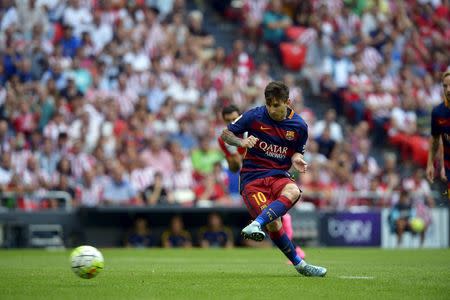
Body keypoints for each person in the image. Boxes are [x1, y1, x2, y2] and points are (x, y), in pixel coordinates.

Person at [220, 81, 326, 277]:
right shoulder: (254, 115)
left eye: (276, 105)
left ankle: (255, 223)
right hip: (253, 179)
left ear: (288, 102)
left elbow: (296, 153)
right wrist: (241, 141)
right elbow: (226, 134)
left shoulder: (299, 126)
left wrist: (298, 159)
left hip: (278, 176)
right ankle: (300, 265)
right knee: (274, 223)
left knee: (294, 191)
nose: (272, 109)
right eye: (269, 104)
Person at [218, 104, 305, 259]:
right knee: (273, 219)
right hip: (252, 180)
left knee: (275, 217)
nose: (232, 121)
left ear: (240, 115)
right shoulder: (228, 139)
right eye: (228, 120)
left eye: (234, 118)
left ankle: (296, 251)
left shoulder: (255, 126)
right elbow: (234, 167)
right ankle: (295, 252)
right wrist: (235, 158)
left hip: (271, 175)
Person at [426, 71, 450, 199]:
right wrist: (430, 164)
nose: (448, 90)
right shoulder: (438, 112)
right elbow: (436, 140)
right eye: (445, 86)